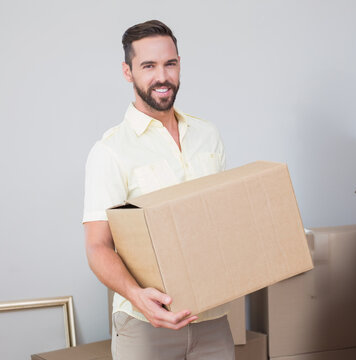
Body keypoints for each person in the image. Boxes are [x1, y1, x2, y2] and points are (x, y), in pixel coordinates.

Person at [82, 20, 234, 360]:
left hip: (212, 319)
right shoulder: (110, 151)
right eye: (148, 66)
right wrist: (138, 297)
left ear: (179, 64)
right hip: (145, 326)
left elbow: (220, 221)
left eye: (170, 64)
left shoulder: (207, 134)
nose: (162, 77)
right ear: (127, 71)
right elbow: (97, 246)